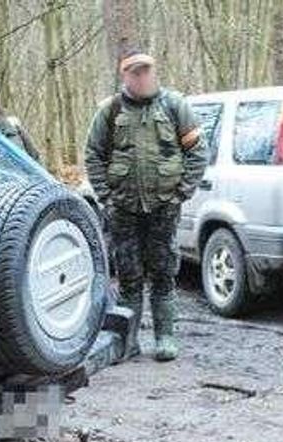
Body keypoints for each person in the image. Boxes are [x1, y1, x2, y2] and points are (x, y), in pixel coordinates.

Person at [84, 50, 206, 362]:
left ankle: (165, 337)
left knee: (164, 274)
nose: (142, 77)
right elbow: (93, 155)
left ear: (154, 72)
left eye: (146, 71)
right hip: (123, 210)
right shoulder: (110, 110)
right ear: (125, 76)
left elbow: (197, 152)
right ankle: (128, 340)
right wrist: (106, 197)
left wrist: (181, 192)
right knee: (129, 277)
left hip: (164, 207)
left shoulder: (175, 106)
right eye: (135, 73)